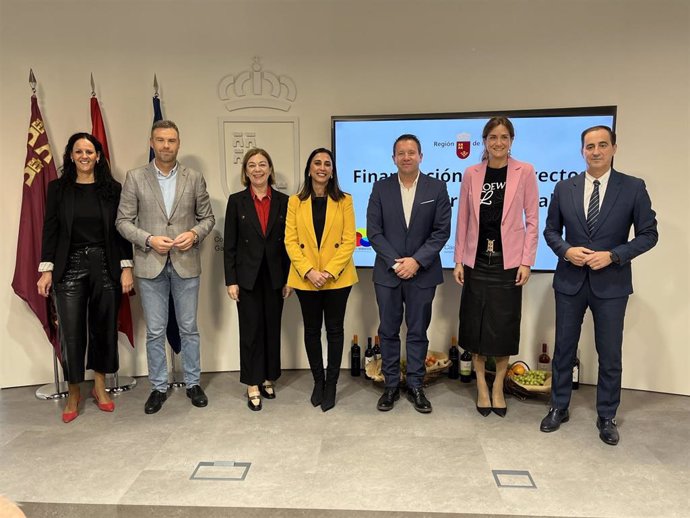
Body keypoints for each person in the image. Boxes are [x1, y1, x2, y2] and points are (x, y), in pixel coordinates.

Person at [540, 125, 658, 445]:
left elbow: (649, 234)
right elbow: (551, 232)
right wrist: (567, 250)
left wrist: (614, 256)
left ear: (614, 149)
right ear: (582, 151)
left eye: (602, 145)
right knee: (564, 349)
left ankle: (607, 415)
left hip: (612, 284)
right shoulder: (565, 188)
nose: (595, 151)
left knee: (609, 353)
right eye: (589, 146)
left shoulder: (633, 188)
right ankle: (558, 407)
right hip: (570, 281)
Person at [116, 120, 215, 414]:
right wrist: (147, 239)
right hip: (150, 265)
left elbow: (207, 218)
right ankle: (158, 387)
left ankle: (193, 383)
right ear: (151, 142)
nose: (166, 146)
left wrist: (195, 234)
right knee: (156, 331)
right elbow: (122, 222)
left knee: (189, 329)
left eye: (171, 140)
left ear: (178, 143)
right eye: (160, 140)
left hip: (186, 263)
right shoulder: (135, 178)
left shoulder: (193, 177)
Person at [37, 132, 134, 423]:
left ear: (98, 156)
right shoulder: (58, 189)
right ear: (70, 156)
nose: (84, 156)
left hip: (105, 264)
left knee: (104, 328)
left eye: (89, 151)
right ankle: (74, 392)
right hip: (70, 266)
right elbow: (50, 230)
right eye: (78, 151)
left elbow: (121, 231)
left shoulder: (112, 189)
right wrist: (46, 269)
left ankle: (101, 387)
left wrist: (126, 266)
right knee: (72, 332)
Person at [453, 117, 539, 417]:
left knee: (502, 328)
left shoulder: (524, 171)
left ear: (511, 140)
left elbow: (532, 221)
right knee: (475, 327)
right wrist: (459, 260)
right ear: (484, 141)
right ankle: (480, 385)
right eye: (492, 137)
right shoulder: (471, 173)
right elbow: (463, 220)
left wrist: (527, 261)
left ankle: (499, 387)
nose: (498, 143)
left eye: (504, 137)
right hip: (476, 262)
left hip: (508, 262)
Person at [366, 134, 451, 413]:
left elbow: (441, 232)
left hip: (422, 274)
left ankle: (415, 385)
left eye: (411, 152)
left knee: (417, 331)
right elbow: (374, 232)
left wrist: (416, 261)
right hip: (387, 274)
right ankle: (391, 385)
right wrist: (396, 262)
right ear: (393, 158)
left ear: (421, 156)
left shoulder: (437, 188)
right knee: (388, 331)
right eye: (400, 153)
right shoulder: (380, 188)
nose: (406, 157)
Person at [285, 148, 358, 412]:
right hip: (306, 278)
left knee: (335, 331)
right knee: (312, 330)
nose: (322, 167)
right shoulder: (295, 202)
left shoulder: (344, 200)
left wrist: (327, 272)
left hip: (337, 278)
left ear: (332, 170)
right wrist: (309, 272)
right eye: (317, 163)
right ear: (309, 169)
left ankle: (332, 384)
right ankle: (319, 380)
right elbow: (290, 241)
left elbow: (350, 240)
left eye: (327, 164)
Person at [224, 148, 291, 411]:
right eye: (252, 165)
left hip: (276, 275)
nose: (257, 169)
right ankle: (252, 383)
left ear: (270, 170)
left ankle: (267, 377)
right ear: (245, 171)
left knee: (271, 328)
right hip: (247, 277)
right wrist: (231, 280)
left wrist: (289, 278)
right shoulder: (236, 201)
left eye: (263, 164)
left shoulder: (285, 201)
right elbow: (230, 244)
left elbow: (289, 244)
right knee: (250, 330)